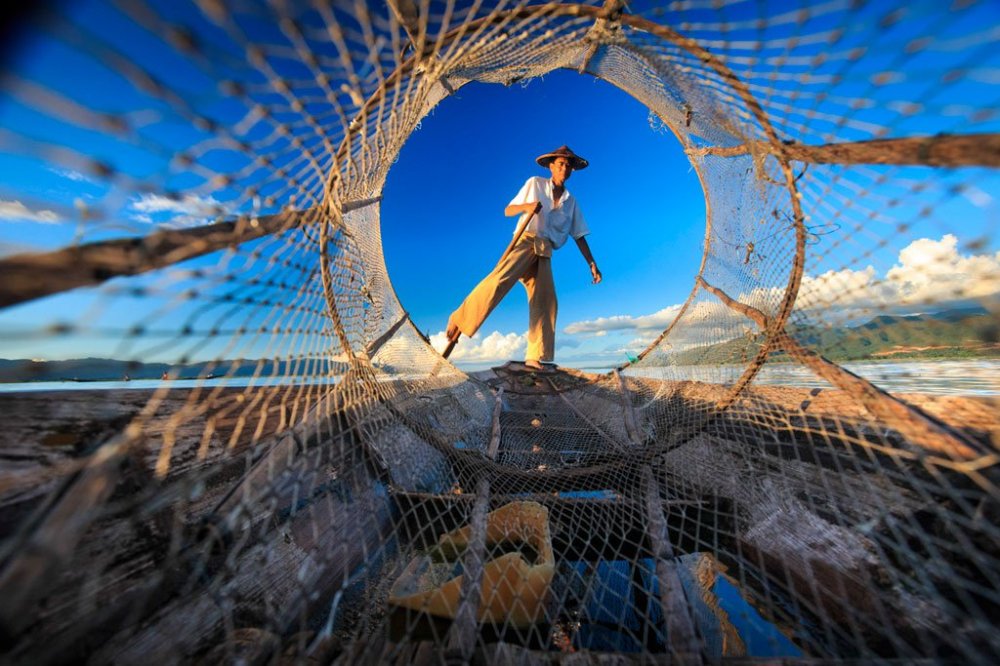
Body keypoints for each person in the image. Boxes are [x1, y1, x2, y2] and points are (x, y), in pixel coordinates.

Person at [445, 145, 602, 372]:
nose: (565, 168)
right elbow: (508, 210)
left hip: (545, 249)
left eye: (569, 165)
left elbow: (578, 235)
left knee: (546, 300)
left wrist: (592, 263)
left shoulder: (571, 201)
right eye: (560, 164)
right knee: (499, 282)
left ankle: (534, 356)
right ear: (551, 166)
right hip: (525, 240)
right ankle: (460, 317)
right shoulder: (535, 184)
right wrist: (528, 206)